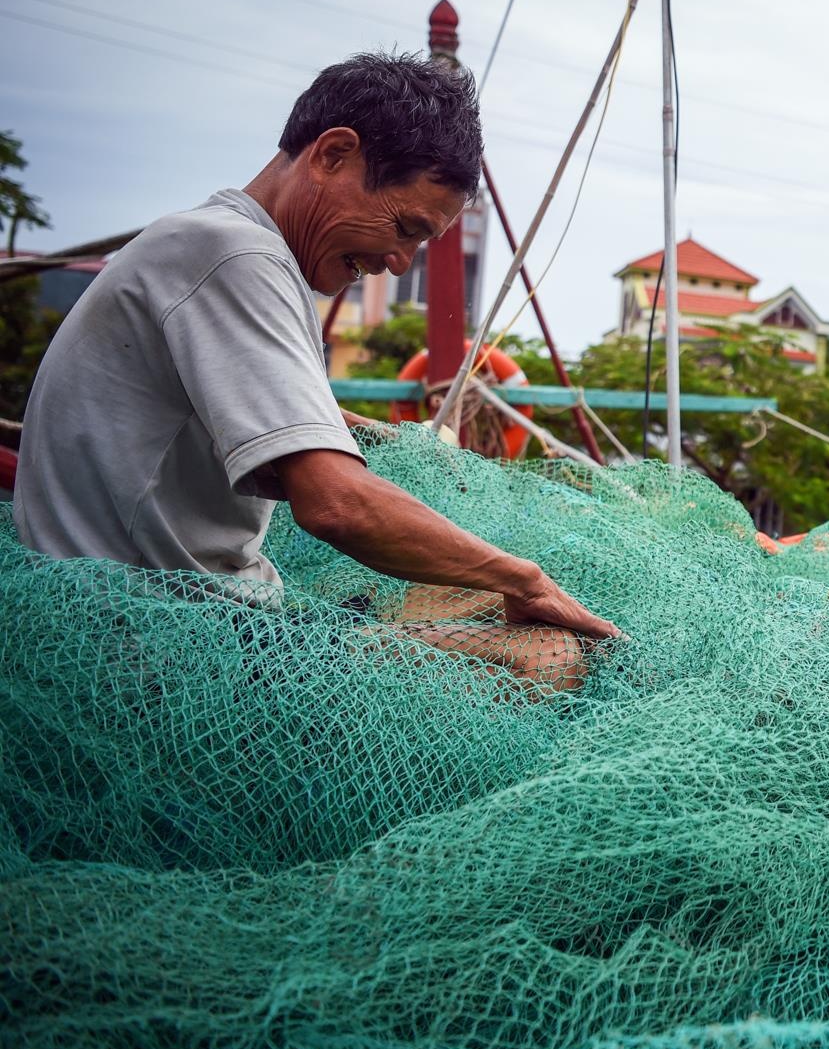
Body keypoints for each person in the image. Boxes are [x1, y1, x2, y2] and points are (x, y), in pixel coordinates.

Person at [14, 52, 619, 688]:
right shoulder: (234, 256)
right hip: (166, 645)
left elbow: (264, 411)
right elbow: (336, 506)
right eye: (406, 227)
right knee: (548, 655)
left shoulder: (212, 245)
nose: (398, 262)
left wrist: (380, 436)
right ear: (333, 154)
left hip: (166, 618)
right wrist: (523, 577)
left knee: (462, 600)